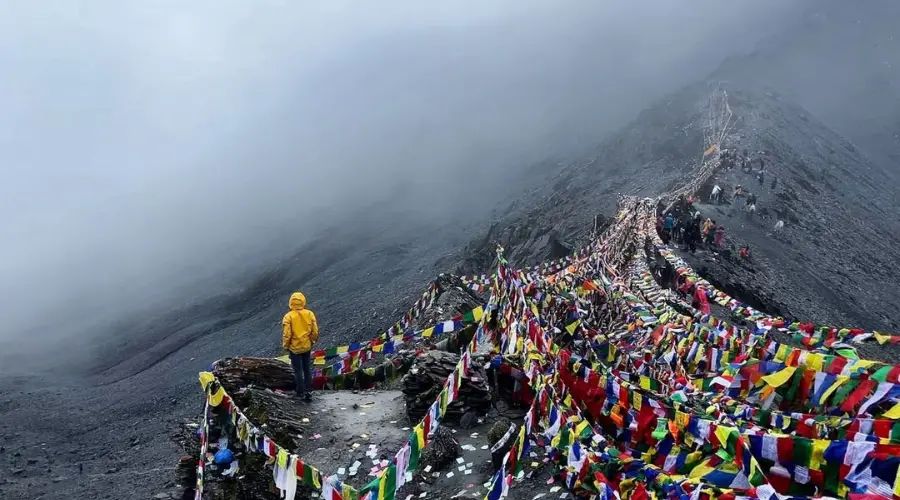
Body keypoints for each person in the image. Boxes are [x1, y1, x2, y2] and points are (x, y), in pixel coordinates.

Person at [282, 291, 319, 401]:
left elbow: (287, 334)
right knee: (307, 368)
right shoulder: (309, 313)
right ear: (303, 301)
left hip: (294, 348)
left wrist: (286, 345)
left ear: (291, 302)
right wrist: (312, 341)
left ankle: (300, 391)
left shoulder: (288, 316)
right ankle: (309, 389)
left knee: (298, 370)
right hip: (307, 346)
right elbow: (315, 331)